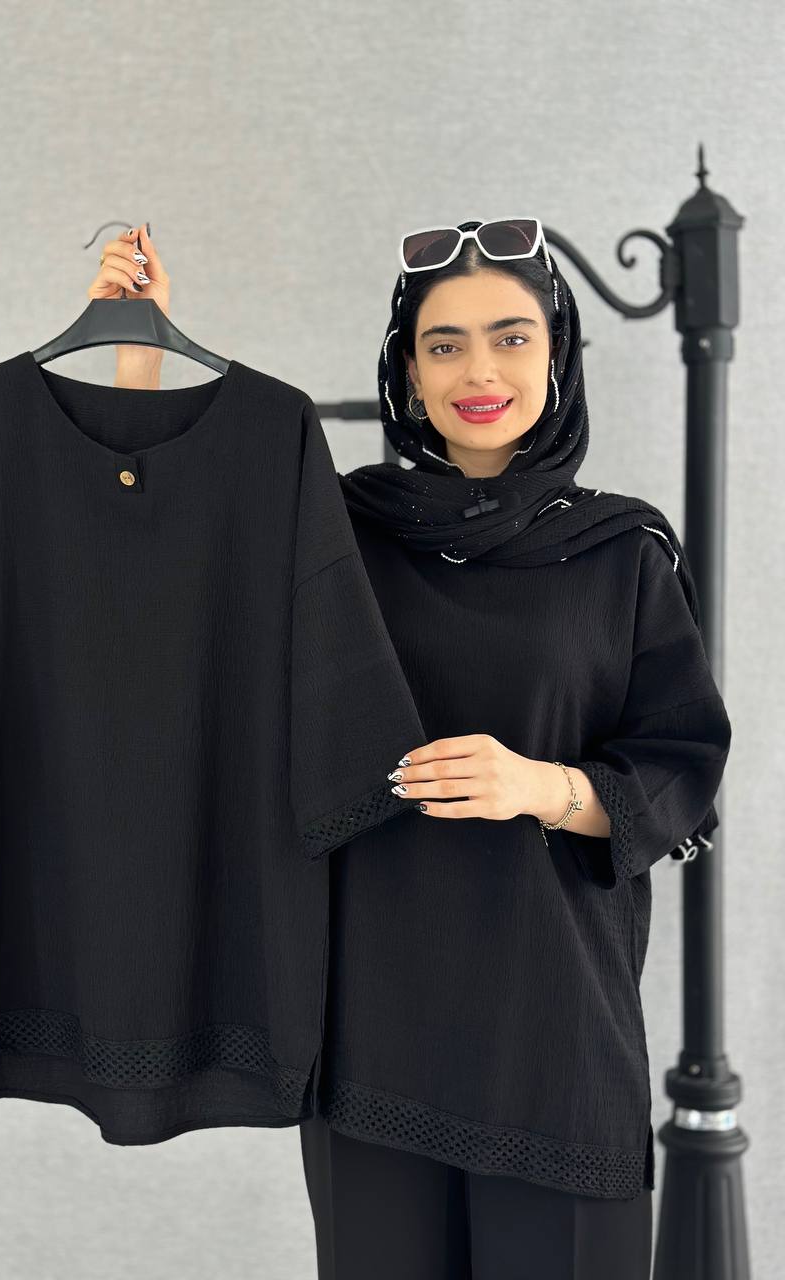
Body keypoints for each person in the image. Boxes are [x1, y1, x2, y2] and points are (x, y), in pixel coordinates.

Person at [89, 219, 732, 1279]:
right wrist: (135, 354)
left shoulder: (623, 552)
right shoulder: (331, 535)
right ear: (406, 369)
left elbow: (682, 771)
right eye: (444, 344)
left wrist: (542, 785)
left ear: (558, 355)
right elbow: (164, 570)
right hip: (370, 1042)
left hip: (557, 1045)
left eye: (512, 337)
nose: (479, 371)